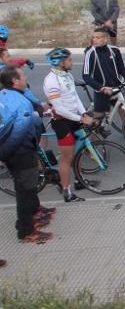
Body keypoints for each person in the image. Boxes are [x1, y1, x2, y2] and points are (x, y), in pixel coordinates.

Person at [0, 66, 53, 243]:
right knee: (25, 190)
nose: (26, 77)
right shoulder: (21, 102)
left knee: (27, 187)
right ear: (15, 81)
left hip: (12, 152)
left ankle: (32, 216)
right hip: (21, 153)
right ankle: (25, 231)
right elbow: (20, 132)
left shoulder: (4, 94)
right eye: (22, 75)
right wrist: (7, 153)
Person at [42, 48, 95, 202]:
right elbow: (59, 108)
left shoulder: (67, 75)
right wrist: (80, 118)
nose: (72, 62)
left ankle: (79, 181)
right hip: (62, 122)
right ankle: (67, 191)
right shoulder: (51, 81)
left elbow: (74, 97)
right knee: (67, 157)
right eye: (70, 60)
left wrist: (83, 113)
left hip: (74, 118)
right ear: (60, 62)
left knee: (78, 151)